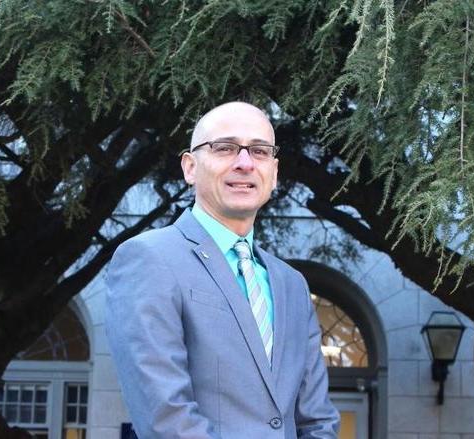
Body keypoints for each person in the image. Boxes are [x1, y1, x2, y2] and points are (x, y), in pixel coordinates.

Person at [103, 102, 340, 438]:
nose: (244, 163)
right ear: (190, 167)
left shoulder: (291, 284)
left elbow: (317, 420)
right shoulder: (148, 259)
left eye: (259, 151)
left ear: (273, 171)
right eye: (225, 148)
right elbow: (167, 418)